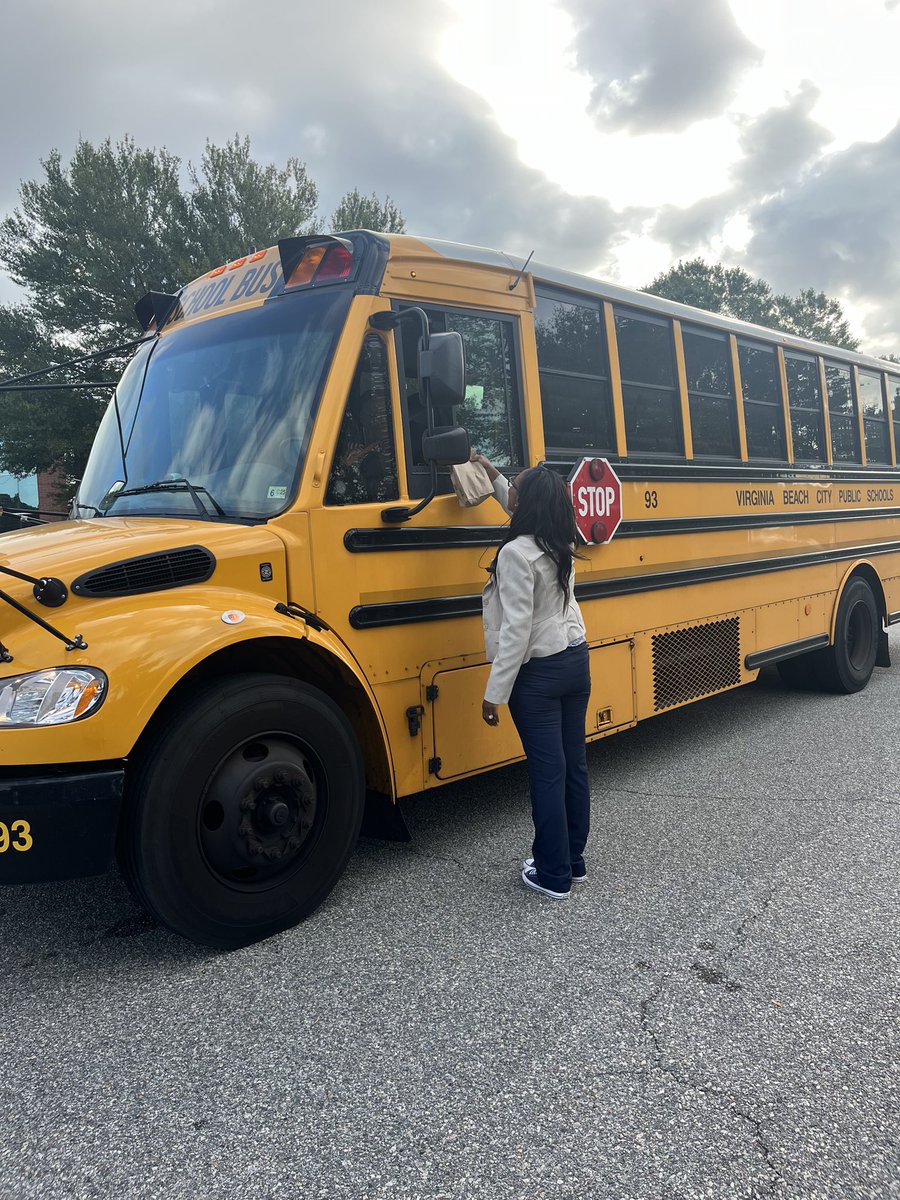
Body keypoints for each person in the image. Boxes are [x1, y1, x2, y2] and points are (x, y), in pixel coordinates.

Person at [473, 452, 591, 900]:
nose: (511, 493)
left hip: (537, 674)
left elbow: (516, 629)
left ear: (527, 504)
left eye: (516, 489)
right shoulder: (560, 538)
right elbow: (520, 500)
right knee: (572, 765)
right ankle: (573, 862)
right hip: (575, 661)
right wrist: (488, 470)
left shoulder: (514, 554)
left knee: (547, 773)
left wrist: (494, 693)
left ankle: (552, 874)